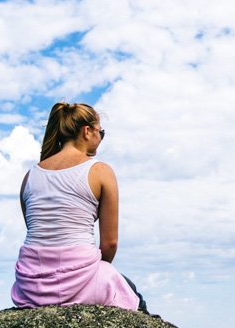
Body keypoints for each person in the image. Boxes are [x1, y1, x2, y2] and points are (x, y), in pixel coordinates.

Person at [11, 102, 147, 312]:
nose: (100, 138)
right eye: (101, 132)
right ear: (87, 131)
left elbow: (41, 232)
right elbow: (109, 244)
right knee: (134, 297)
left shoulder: (30, 176)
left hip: (30, 285)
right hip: (78, 279)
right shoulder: (100, 171)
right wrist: (92, 273)